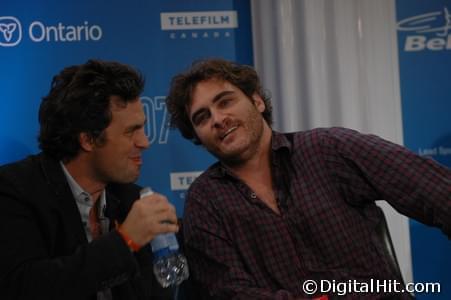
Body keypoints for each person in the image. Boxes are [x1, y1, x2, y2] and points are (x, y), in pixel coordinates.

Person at [165, 58, 451, 299]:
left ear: (257, 101)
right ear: (197, 137)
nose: (217, 118)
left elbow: (436, 191)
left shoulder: (327, 149)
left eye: (225, 101)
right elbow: (229, 292)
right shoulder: (205, 200)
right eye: (202, 117)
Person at [0, 59, 179, 300]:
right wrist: (125, 240)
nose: (145, 142)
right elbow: (23, 287)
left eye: (142, 128)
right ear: (88, 140)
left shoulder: (131, 200)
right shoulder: (14, 190)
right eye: (131, 131)